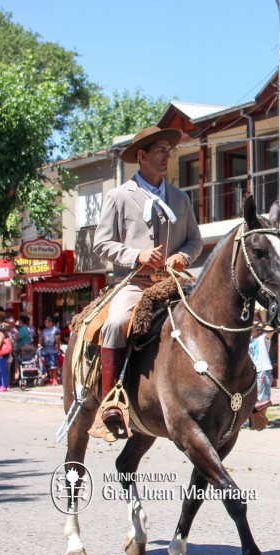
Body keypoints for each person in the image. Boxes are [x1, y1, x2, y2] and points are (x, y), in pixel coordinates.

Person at [91, 126, 202, 440]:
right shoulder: (118, 196)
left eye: (169, 150)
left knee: (215, 314)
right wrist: (136, 255)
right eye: (161, 151)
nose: (168, 156)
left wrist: (183, 256)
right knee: (114, 325)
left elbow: (195, 239)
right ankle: (111, 402)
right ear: (141, 155)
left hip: (175, 283)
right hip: (135, 283)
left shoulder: (180, 198)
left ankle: (238, 397)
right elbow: (102, 244)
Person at [248, 321, 274, 412]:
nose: (253, 330)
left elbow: (271, 330)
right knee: (252, 395)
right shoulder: (249, 339)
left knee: (262, 396)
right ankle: (253, 419)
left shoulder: (263, 338)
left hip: (262, 368)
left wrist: (258, 323)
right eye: (252, 328)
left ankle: (261, 418)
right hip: (252, 371)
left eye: (255, 329)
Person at [40, 317, 61, 386]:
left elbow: (58, 340)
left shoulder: (56, 330)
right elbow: (42, 338)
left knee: (53, 364)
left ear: (50, 322)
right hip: (46, 349)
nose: (45, 324)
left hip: (53, 349)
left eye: (47, 322)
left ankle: (55, 379)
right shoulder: (44, 330)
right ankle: (51, 378)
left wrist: (58, 348)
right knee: (48, 365)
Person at [0, 323, 10, 392]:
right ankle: (3, 385)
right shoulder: (6, 335)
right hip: (5, 354)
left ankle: (3, 385)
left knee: (1, 371)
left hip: (1, 354)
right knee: (3, 370)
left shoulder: (0, 335)